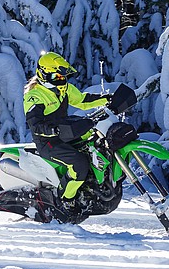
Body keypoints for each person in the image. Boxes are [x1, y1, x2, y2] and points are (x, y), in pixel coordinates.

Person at [23, 52, 109, 202]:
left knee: (97, 140)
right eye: (57, 77)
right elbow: (35, 124)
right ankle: (64, 200)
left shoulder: (64, 89)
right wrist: (52, 130)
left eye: (63, 77)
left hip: (65, 133)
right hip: (48, 141)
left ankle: (96, 187)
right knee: (79, 164)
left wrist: (106, 99)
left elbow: (82, 100)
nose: (61, 80)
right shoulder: (34, 96)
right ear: (43, 75)